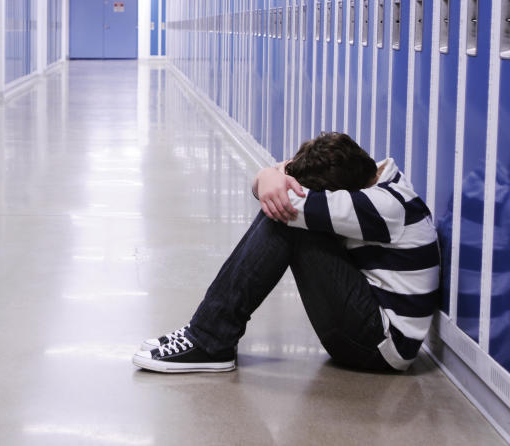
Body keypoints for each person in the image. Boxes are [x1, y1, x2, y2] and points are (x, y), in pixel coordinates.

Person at [132, 132, 440, 373]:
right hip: (371, 319)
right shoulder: (373, 177)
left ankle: (210, 340)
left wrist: (268, 178)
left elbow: (280, 198)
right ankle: (208, 333)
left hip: (381, 347)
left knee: (285, 217)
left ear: (339, 194)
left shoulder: (380, 206)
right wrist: (269, 175)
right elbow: (273, 181)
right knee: (283, 208)